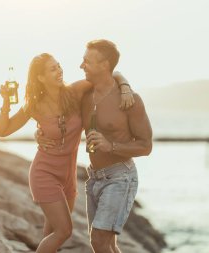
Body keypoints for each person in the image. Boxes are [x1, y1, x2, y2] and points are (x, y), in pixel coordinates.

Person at [0, 52, 134, 253]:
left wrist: (125, 88)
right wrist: (6, 103)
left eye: (59, 65)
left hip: (67, 177)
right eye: (52, 69)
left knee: (51, 235)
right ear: (41, 78)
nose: (59, 70)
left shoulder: (75, 91)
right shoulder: (34, 106)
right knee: (64, 231)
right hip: (44, 173)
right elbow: (3, 130)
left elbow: (111, 75)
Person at [37, 39, 153, 253]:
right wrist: (40, 132)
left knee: (100, 241)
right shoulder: (82, 97)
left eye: (87, 62)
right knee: (105, 243)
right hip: (95, 177)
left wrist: (111, 146)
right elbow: (53, 114)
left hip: (121, 176)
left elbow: (146, 146)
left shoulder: (129, 100)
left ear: (104, 65)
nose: (81, 66)